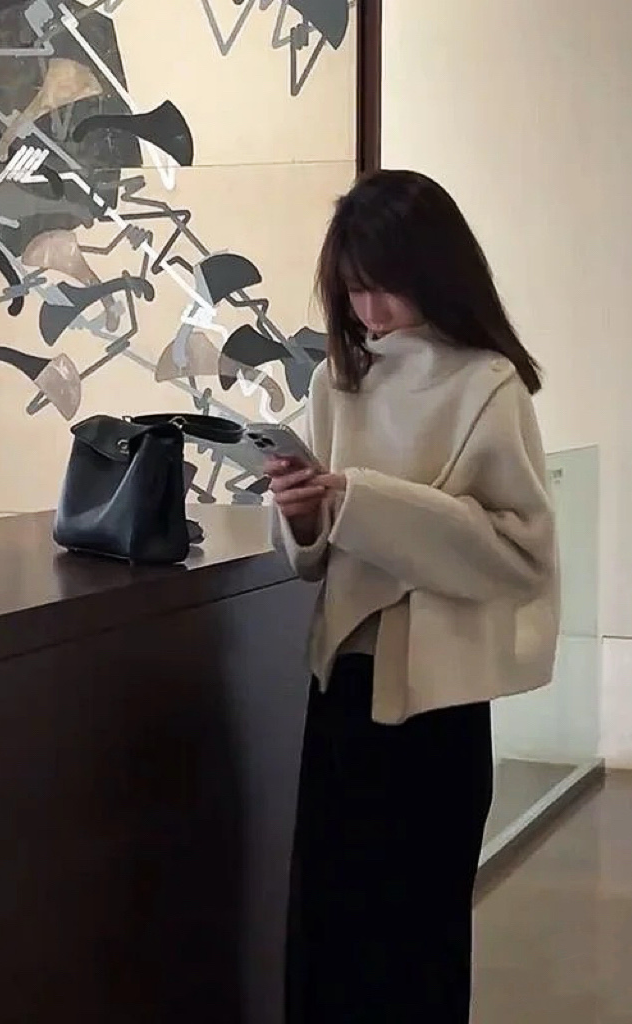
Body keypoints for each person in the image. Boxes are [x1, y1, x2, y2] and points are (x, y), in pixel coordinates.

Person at [269, 169, 560, 1023]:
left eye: (383, 285)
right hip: (340, 690)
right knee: (325, 928)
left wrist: (363, 504)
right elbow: (312, 560)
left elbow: (520, 552)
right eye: (352, 289)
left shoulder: (487, 384)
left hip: (435, 704)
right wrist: (304, 514)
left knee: (415, 938)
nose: (369, 310)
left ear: (432, 270)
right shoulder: (336, 381)